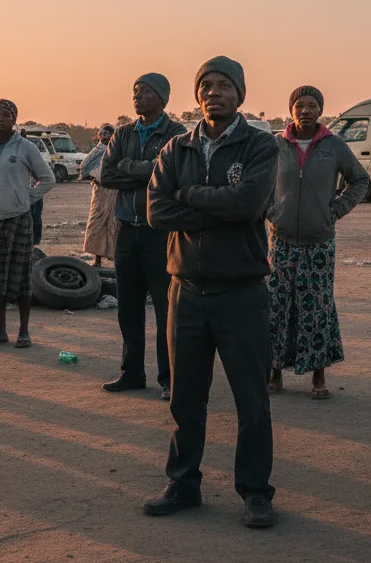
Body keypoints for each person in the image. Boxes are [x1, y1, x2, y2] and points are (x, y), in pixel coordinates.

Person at [144, 56, 280, 528]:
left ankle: (256, 492)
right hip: (184, 290)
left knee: (251, 400)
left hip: (242, 291)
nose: (214, 93)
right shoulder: (175, 148)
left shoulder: (260, 146)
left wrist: (189, 196)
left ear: (240, 95)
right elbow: (155, 213)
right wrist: (213, 203)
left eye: (224, 85)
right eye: (207, 85)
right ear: (197, 94)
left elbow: (248, 204)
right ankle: (182, 484)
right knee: (185, 398)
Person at [266, 85, 369, 398]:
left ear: (320, 110)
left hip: (319, 243)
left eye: (312, 105)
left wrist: (336, 209)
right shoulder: (275, 145)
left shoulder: (333, 146)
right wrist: (270, 210)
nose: (305, 110)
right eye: (300, 105)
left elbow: (360, 180)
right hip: (281, 241)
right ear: (291, 109)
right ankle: (274, 374)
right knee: (277, 306)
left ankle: (318, 379)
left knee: (317, 309)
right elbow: (258, 182)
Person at [99, 74, 185, 398]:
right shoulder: (122, 133)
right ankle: (132, 372)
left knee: (166, 310)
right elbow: (107, 174)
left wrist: (132, 168)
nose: (137, 96)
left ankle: (169, 378)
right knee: (128, 308)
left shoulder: (175, 133)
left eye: (145, 91)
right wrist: (148, 170)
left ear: (162, 98)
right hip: (127, 229)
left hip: (159, 232)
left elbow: (171, 174)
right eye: (135, 90)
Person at [0, 99, 55, 348]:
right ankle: (0, 331)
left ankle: (24, 332)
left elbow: (47, 178)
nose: (0, 119)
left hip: (18, 220)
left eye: (5, 115)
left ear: (14, 118)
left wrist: (26, 198)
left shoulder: (26, 148)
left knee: (20, 278)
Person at [80, 124, 118, 267]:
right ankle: (98, 259)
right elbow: (85, 166)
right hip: (100, 190)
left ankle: (113, 257)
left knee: (113, 223)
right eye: (103, 134)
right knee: (98, 222)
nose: (106, 137)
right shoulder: (98, 151)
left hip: (114, 190)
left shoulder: (117, 150)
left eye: (108, 134)